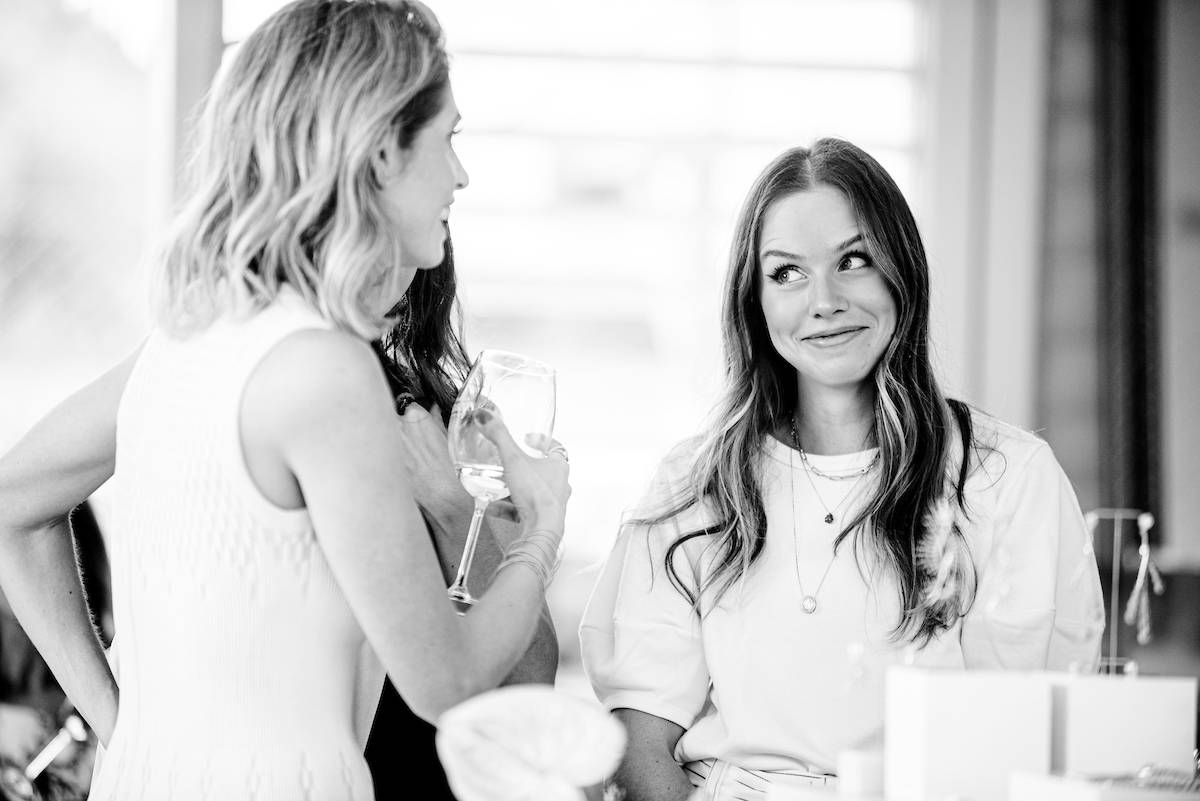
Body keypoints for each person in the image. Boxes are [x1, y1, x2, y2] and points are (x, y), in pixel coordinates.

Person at [0, 2, 570, 800]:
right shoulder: (326, 371)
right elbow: (450, 681)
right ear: (379, 154)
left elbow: (13, 501)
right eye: (448, 139)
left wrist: (115, 722)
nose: (461, 175)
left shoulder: (184, 342)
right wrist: (540, 531)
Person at [579, 138, 1106, 801]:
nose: (823, 301)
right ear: (756, 300)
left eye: (852, 261)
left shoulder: (1007, 476)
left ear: (901, 272)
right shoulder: (696, 482)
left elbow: (1048, 727)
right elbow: (640, 730)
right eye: (787, 273)